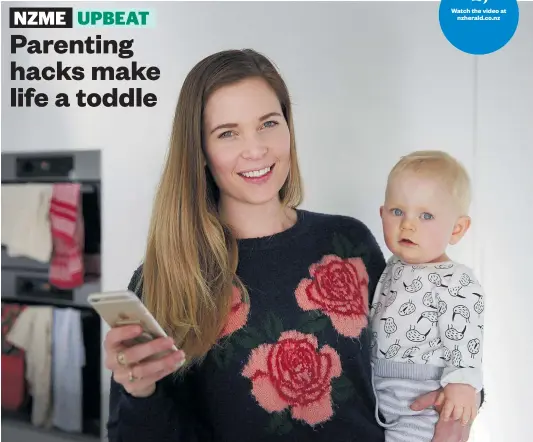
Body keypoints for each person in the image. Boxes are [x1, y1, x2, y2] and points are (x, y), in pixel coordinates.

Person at [105, 49, 480, 442]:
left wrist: (459, 408)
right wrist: (139, 391)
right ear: (199, 151)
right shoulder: (167, 276)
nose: (256, 149)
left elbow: (424, 350)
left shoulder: (348, 242)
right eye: (228, 133)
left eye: (268, 123)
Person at [369, 151, 485, 442]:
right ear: (381, 213)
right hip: (380, 384)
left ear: (456, 229)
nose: (408, 225)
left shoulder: (455, 279)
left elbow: (466, 336)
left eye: (426, 216)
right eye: (398, 212)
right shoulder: (393, 266)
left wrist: (462, 383)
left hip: (422, 391)